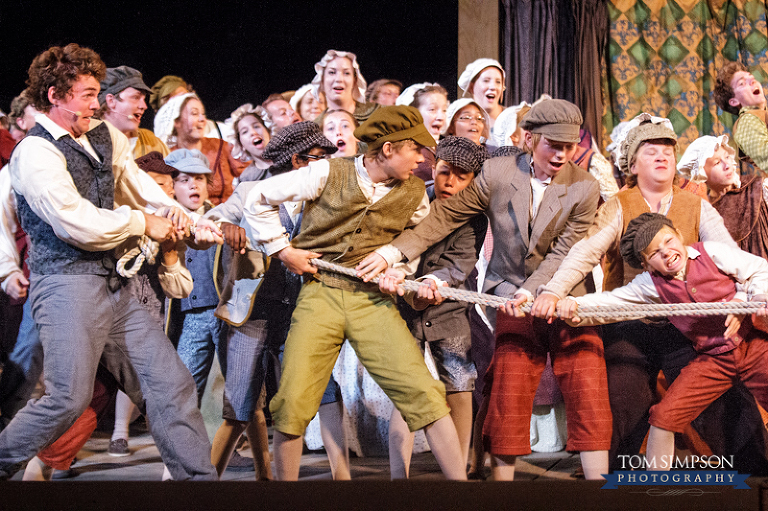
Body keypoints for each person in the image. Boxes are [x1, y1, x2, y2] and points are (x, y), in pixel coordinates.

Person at [0, 43, 220, 481]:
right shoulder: (35, 152)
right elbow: (73, 222)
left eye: (97, 93)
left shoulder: (104, 135)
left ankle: (199, 486)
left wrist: (183, 217)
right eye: (86, 94)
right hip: (65, 285)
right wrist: (143, 222)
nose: (96, 103)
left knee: (169, 385)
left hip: (117, 287)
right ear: (55, 96)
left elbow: (140, 185)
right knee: (67, 398)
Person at [384, 99, 611, 480]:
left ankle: (597, 487)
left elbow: (565, 252)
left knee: (586, 379)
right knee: (509, 383)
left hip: (568, 294)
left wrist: (537, 291)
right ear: (529, 139)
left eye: (569, 147)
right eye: (553, 145)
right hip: (508, 293)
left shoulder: (584, 186)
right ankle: (500, 491)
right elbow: (445, 216)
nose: (561, 154)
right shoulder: (498, 172)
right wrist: (392, 253)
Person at [241, 105, 467, 481]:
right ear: (389, 149)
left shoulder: (414, 193)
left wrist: (397, 270)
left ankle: (463, 495)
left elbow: (413, 241)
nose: (422, 159)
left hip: (372, 301)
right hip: (321, 294)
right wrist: (282, 250)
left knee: (424, 394)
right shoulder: (328, 171)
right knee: (293, 400)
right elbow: (258, 198)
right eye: (416, 149)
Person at [534, 117, 768, 473]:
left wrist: (740, 302)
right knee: (623, 395)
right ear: (632, 164)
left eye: (667, 152)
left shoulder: (696, 205)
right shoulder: (619, 205)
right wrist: (554, 293)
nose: (661, 157)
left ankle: (757, 474)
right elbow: (584, 253)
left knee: (723, 399)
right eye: (651, 151)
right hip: (631, 324)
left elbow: (733, 261)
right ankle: (614, 479)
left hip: (687, 327)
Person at [558, 213, 768, 471]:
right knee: (662, 417)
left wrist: (749, 299)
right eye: (655, 253)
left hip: (754, 345)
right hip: (715, 360)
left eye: (668, 241)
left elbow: (758, 269)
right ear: (646, 264)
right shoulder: (650, 284)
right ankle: (657, 487)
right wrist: (573, 306)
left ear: (679, 236)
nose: (666, 252)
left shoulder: (711, 252)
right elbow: (611, 303)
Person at [205, 121, 344, 479]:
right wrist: (225, 226)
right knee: (240, 403)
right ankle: (203, 485)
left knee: (324, 390)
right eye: (320, 157)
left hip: (301, 310)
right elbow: (210, 220)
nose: (327, 165)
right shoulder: (251, 189)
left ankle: (343, 480)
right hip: (251, 311)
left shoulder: (323, 196)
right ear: (298, 161)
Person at [388, 136, 488, 478]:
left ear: (473, 180)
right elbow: (393, 247)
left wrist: (434, 283)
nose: (450, 182)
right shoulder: (411, 199)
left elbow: (459, 262)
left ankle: (456, 473)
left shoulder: (474, 216)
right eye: (445, 171)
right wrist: (409, 289)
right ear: (434, 167)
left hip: (448, 308)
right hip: (403, 308)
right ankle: (397, 476)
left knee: (459, 382)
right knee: (406, 388)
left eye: (462, 176)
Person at [155, 93, 247, 204]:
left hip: (227, 212)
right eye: (194, 113)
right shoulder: (168, 158)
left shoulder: (221, 147)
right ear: (177, 121)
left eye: (203, 114)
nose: (202, 119)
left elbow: (251, 173)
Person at [97, 66, 168, 158]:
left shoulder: (153, 143)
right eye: (135, 97)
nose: (144, 106)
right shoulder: (86, 144)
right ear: (111, 101)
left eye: (144, 99)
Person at [714, 62, 768, 177]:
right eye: (742, 83)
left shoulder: (760, 116)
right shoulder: (747, 120)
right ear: (734, 101)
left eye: (752, 78)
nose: (752, 81)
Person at [396, 83, 449, 184]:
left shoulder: (437, 149)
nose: (441, 117)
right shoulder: (414, 153)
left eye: (444, 110)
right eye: (432, 109)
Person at [310, 49, 379, 123]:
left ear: (355, 80)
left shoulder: (378, 113)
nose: (339, 79)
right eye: (332, 72)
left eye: (346, 73)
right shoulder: (316, 126)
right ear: (322, 79)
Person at [226, 103, 272, 181]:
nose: (253, 132)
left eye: (256, 126)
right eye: (245, 132)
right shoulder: (246, 179)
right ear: (241, 145)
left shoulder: (291, 158)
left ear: (267, 131)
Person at [458, 58, 505, 130]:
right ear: (472, 87)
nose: (493, 87)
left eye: (498, 82)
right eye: (486, 81)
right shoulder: (461, 122)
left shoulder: (515, 119)